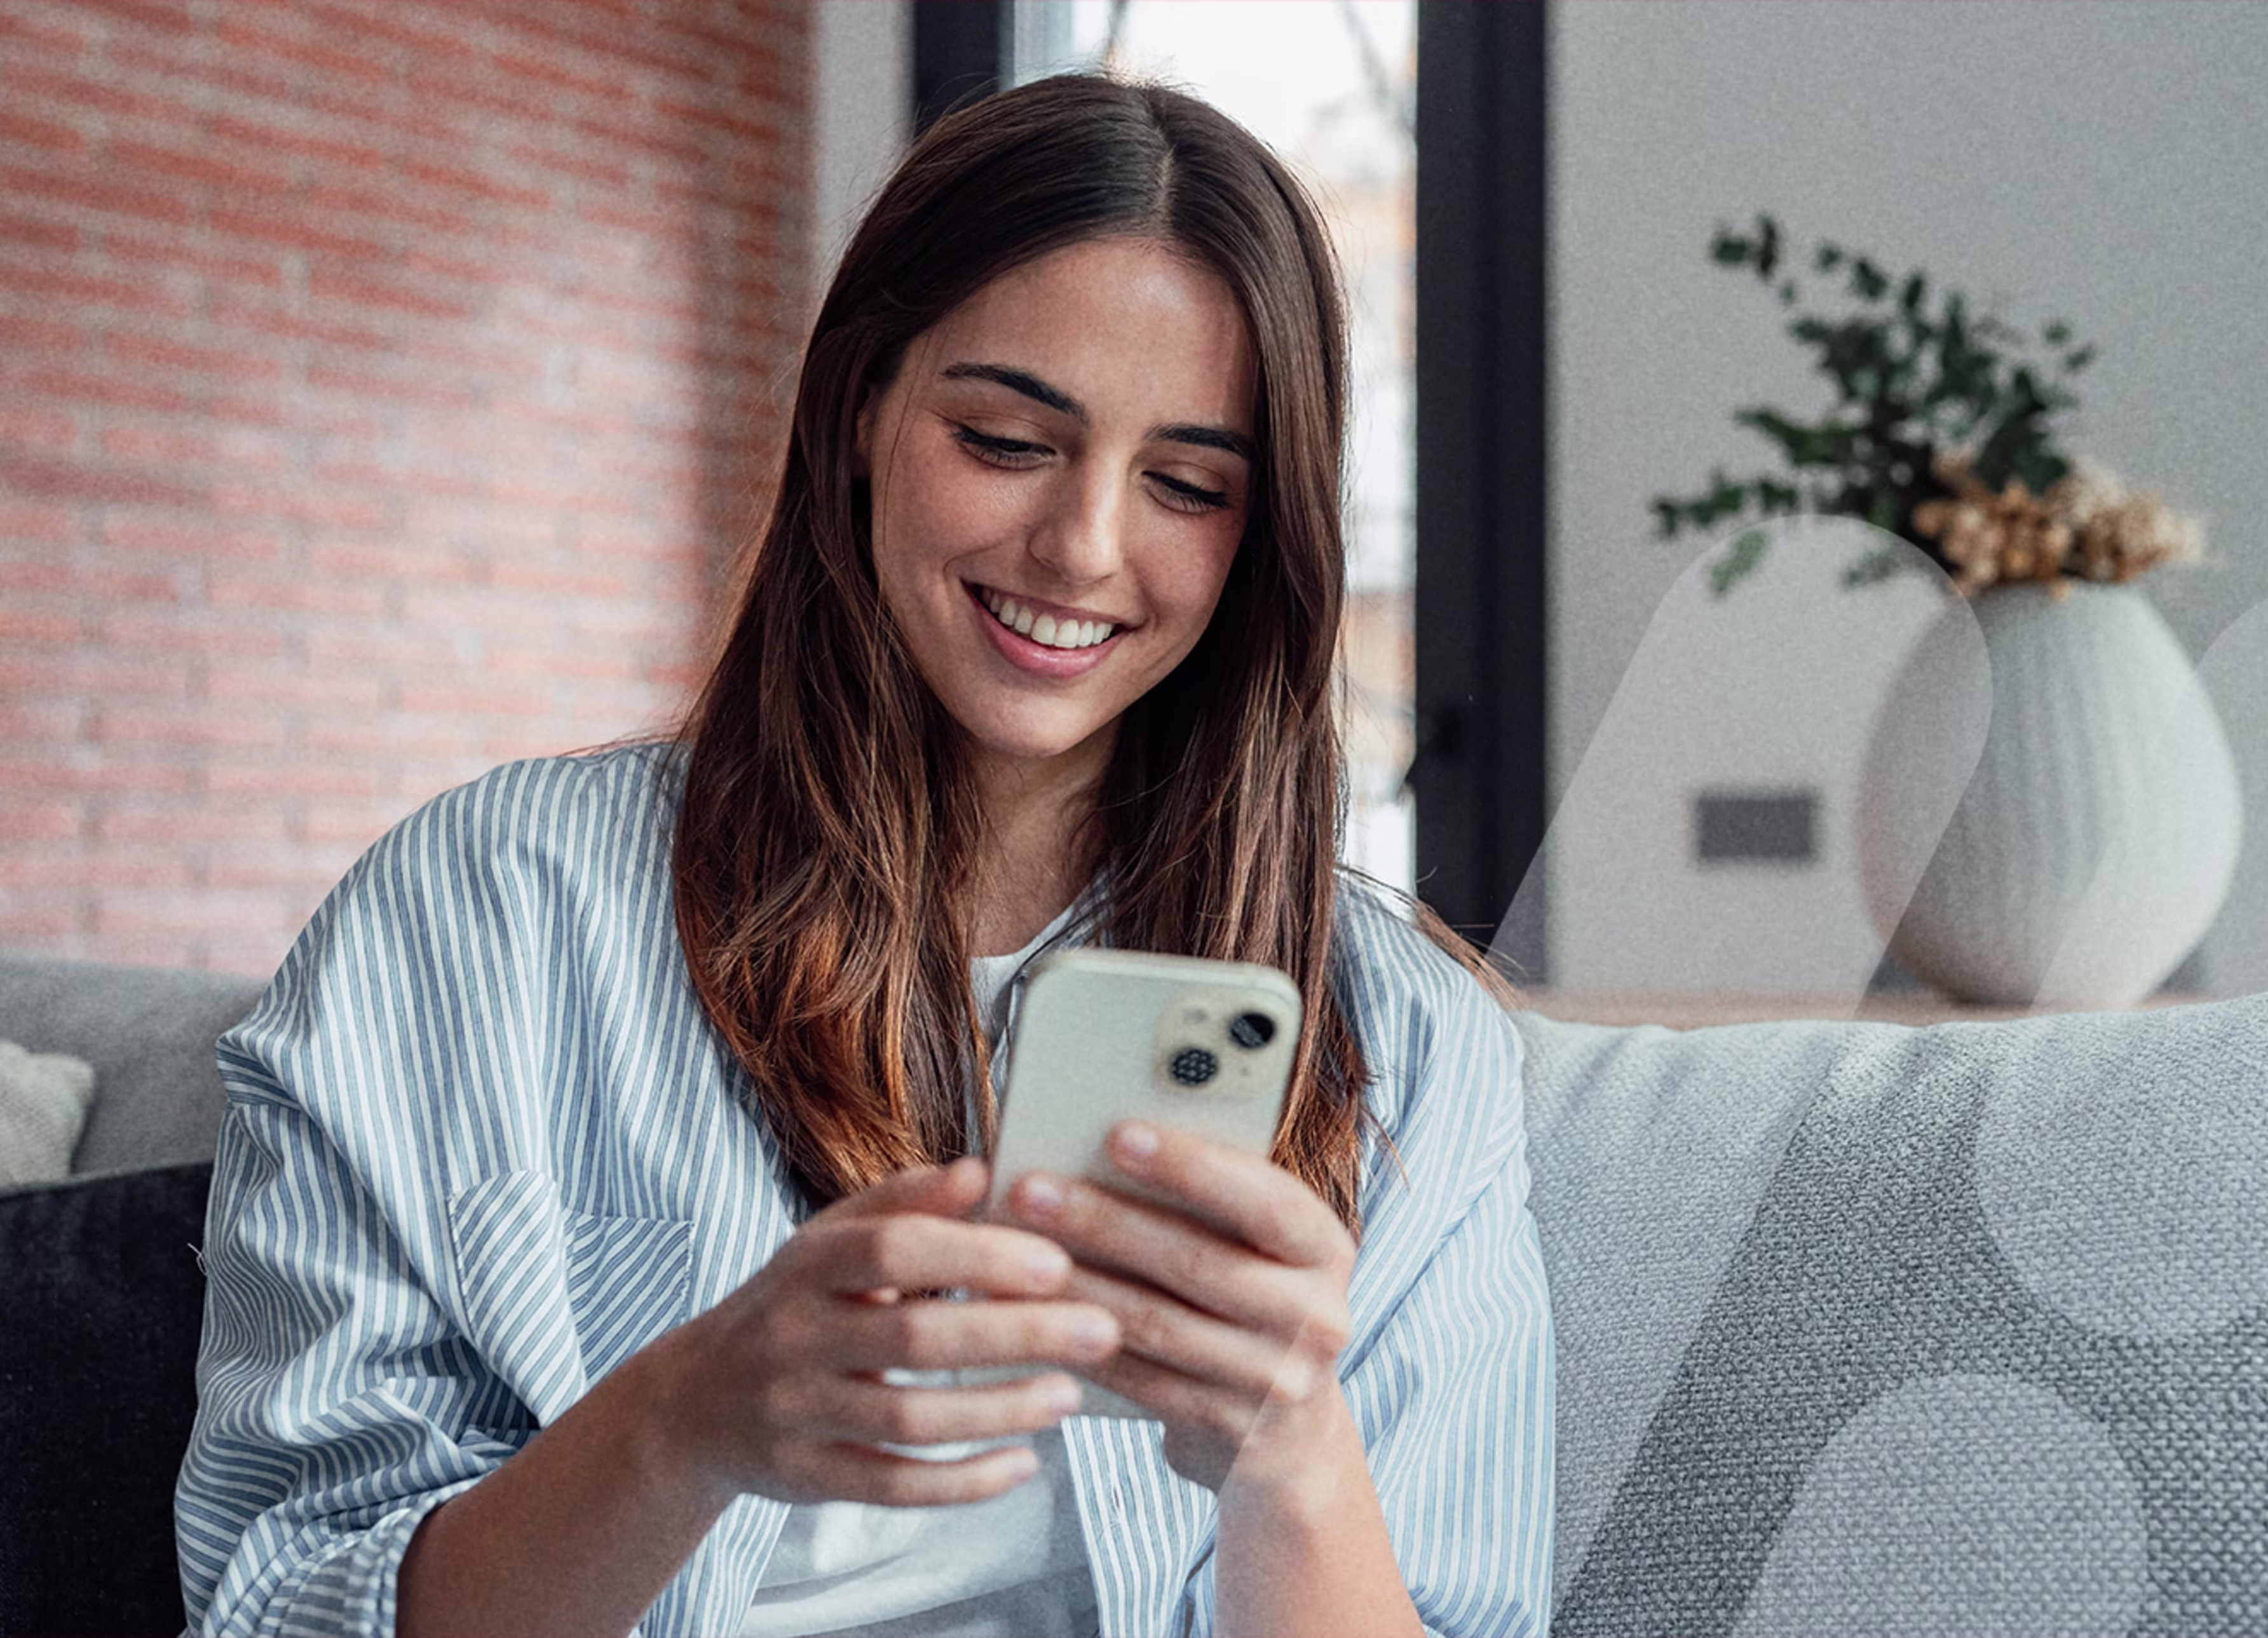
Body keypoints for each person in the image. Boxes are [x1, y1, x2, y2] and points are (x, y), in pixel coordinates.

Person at [175, 74, 1553, 1638]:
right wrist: (683, 1416)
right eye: (1006, 436)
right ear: (854, 415)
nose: (1084, 546)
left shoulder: (1407, 1049)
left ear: (1265, 539)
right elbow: (278, 1603)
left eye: (1187, 483)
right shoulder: (480, 916)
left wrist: (1289, 1455)